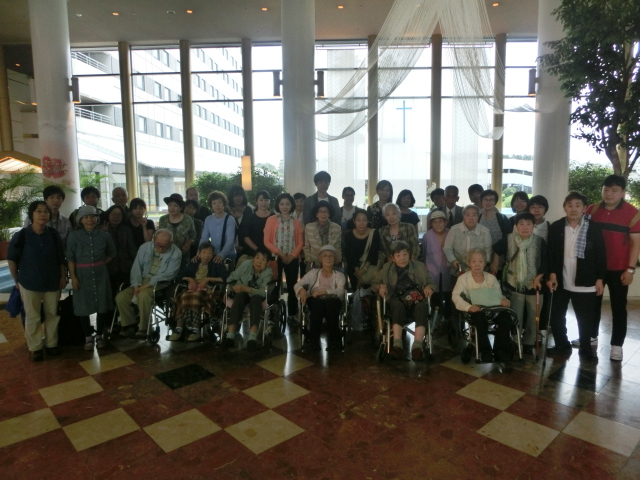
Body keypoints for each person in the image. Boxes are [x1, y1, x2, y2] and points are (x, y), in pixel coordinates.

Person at [583, 175, 640, 361]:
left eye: (614, 190)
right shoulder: (592, 209)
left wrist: (630, 270)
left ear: (623, 193)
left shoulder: (633, 213)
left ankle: (617, 345)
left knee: (618, 307)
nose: (609, 194)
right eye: (606, 189)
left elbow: (636, 243)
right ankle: (591, 336)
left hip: (619, 269)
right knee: (592, 305)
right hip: (595, 268)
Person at [546, 191, 606, 361]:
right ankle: (561, 344)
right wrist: (552, 275)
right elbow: (551, 254)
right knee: (557, 316)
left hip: (586, 281)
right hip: (561, 280)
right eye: (570, 205)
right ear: (564, 208)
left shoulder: (593, 228)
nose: (573, 209)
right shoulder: (556, 227)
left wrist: (600, 279)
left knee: (585, 318)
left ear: (584, 208)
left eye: (578, 205)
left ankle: (586, 349)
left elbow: (601, 254)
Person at [8, 201, 66, 361]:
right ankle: (35, 348)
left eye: (46, 211)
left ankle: (51, 344)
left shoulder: (53, 234)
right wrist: (16, 280)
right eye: (39, 211)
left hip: (52, 281)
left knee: (52, 314)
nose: (43, 214)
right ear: (31, 214)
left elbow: (60, 259)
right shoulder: (21, 235)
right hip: (29, 282)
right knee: (32, 315)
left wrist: (63, 276)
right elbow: (12, 259)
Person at [372, 241, 435, 360]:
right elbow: (374, 283)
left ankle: (417, 347)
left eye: (405, 254)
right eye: (398, 255)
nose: (402, 258)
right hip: (395, 298)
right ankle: (397, 345)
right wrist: (380, 287)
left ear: (409, 255)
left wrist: (429, 287)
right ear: (393, 258)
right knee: (398, 306)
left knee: (422, 307)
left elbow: (431, 283)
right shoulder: (386, 268)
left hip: (415, 298)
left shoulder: (419, 266)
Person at [494, 213, 547, 354]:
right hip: (514, 284)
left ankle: (529, 342)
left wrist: (538, 278)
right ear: (516, 226)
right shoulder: (509, 239)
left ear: (533, 226)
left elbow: (546, 262)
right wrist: (495, 262)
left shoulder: (539, 241)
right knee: (516, 315)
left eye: (528, 224)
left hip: (534, 284)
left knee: (533, 316)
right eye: (521, 224)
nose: (525, 227)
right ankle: (515, 340)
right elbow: (496, 249)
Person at [66, 206, 117, 351]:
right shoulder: (73, 237)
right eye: (86, 217)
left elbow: (112, 253)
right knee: (83, 305)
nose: (90, 220)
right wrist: (73, 277)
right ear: (80, 220)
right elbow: (70, 258)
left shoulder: (105, 235)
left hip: (101, 273)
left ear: (97, 219)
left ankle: (100, 335)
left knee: (102, 304)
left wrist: (100, 264)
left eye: (93, 216)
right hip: (81, 275)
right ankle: (88, 337)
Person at [116, 229, 182, 339]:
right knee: (121, 297)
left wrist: (146, 286)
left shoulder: (176, 253)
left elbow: (169, 274)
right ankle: (130, 325)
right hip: (142, 279)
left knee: (143, 295)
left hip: (160, 283)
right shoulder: (145, 247)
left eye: (164, 246)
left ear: (171, 242)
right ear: (154, 239)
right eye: (158, 244)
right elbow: (136, 267)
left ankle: (144, 327)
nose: (160, 248)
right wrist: (136, 285)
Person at [452, 248, 513, 362]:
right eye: (474, 261)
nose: (477, 265)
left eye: (480, 261)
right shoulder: (463, 279)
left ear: (485, 263)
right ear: (469, 263)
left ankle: (500, 350)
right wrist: (469, 307)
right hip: (475, 310)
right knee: (479, 318)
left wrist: (505, 301)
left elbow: (499, 296)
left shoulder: (491, 278)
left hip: (493, 310)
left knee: (506, 317)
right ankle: (485, 351)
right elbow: (455, 296)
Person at [170, 242, 229, 342]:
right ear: (199, 253)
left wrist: (208, 279)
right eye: (204, 252)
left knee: (195, 296)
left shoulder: (216, 263)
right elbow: (179, 276)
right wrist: (190, 279)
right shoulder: (194, 263)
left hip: (209, 291)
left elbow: (226, 278)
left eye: (209, 253)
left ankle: (195, 330)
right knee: (183, 296)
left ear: (213, 254)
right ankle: (179, 328)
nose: (206, 255)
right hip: (192, 289)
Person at [295, 245, 346, 351]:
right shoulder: (313, 273)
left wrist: (324, 292)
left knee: (330, 305)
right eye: (325, 256)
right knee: (318, 305)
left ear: (335, 259)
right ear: (320, 259)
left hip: (333, 299)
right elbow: (297, 284)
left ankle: (335, 341)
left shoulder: (340, 275)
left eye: (331, 256)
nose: (328, 258)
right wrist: (302, 290)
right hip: (315, 299)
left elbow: (340, 292)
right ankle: (313, 341)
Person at [100, 205, 137, 347]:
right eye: (113, 214)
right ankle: (110, 324)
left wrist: (135, 265)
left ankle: (126, 324)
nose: (116, 217)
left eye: (119, 215)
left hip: (125, 268)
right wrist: (104, 234)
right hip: (108, 268)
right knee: (109, 298)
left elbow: (131, 248)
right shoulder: (102, 229)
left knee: (123, 296)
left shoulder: (126, 229)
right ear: (108, 215)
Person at [264, 193, 304, 322]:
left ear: (292, 205)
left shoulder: (296, 222)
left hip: (292, 259)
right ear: (278, 205)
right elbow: (266, 241)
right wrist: (280, 254)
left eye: (287, 204)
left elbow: (300, 242)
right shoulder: (271, 220)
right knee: (274, 285)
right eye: (282, 204)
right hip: (275, 258)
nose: (285, 206)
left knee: (292, 286)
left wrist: (292, 256)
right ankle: (272, 315)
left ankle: (292, 314)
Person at [224, 248, 273, 351]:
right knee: (239, 297)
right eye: (257, 258)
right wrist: (228, 289)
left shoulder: (268, 272)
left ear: (268, 263)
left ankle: (252, 337)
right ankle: (230, 333)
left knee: (255, 300)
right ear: (253, 258)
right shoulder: (246, 265)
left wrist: (246, 288)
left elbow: (263, 292)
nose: (259, 262)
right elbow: (232, 277)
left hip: (257, 296)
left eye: (263, 260)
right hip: (242, 293)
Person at [443, 204, 492, 274]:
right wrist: (453, 260)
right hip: (458, 270)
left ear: (478, 217)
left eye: (474, 215)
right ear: (463, 217)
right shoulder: (454, 230)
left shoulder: (485, 232)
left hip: (478, 271)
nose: (471, 218)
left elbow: (488, 252)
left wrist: (482, 264)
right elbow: (447, 248)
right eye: (468, 215)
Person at [422, 210, 453, 321]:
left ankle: (448, 320)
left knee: (448, 295)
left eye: (440, 221)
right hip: (432, 271)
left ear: (445, 222)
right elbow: (423, 254)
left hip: (448, 270)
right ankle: (436, 321)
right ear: (431, 224)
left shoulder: (451, 233)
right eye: (435, 222)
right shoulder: (427, 236)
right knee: (434, 297)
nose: (438, 224)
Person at [478, 189, 512, 274]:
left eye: (491, 200)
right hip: (479, 261)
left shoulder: (502, 219)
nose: (488, 202)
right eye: (485, 199)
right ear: (481, 201)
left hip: (499, 262)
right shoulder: (477, 218)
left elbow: (508, 239)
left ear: (495, 202)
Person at [344, 210, 380, 289]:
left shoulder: (374, 233)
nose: (361, 223)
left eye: (364, 220)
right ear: (354, 221)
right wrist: (358, 273)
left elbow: (373, 254)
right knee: (355, 288)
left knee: (369, 289)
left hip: (370, 268)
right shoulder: (348, 235)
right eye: (358, 220)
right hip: (353, 268)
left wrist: (363, 271)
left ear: (368, 221)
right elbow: (350, 255)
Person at [158, 193, 197, 267]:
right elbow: (159, 236)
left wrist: (188, 243)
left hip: (183, 256)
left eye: (175, 206)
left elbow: (194, 236)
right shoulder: (163, 219)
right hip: (166, 255)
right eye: (170, 205)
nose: (172, 208)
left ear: (181, 207)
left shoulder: (188, 219)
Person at [201, 191, 236, 263]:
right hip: (213, 254)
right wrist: (199, 252)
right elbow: (204, 238)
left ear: (224, 204)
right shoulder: (208, 219)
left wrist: (222, 254)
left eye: (220, 202)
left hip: (228, 255)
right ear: (211, 206)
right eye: (214, 203)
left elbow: (230, 240)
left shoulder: (230, 219)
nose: (217, 205)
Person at [304, 203, 342, 268]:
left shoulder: (337, 228)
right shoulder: (309, 227)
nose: (323, 214)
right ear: (316, 214)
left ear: (329, 214)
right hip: (314, 262)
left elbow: (338, 247)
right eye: (320, 211)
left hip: (331, 262)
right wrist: (308, 260)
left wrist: (338, 261)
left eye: (326, 212)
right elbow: (307, 247)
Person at [241, 190, 274, 258]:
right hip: (253, 253)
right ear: (256, 201)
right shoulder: (249, 218)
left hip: (271, 252)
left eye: (266, 200)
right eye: (261, 200)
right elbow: (246, 238)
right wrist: (258, 251)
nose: (264, 203)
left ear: (269, 201)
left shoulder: (274, 217)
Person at [227, 185, 253, 258]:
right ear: (231, 197)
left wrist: (245, 247)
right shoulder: (227, 211)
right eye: (235, 196)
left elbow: (251, 229)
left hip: (247, 247)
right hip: (229, 247)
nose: (238, 198)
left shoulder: (248, 210)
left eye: (240, 195)